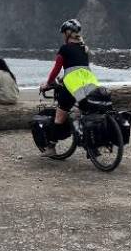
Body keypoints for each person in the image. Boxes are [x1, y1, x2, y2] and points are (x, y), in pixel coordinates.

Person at [39, 19, 100, 157]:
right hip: (89, 82)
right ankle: (93, 146)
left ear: (68, 33)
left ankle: (51, 147)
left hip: (72, 84)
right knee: (87, 111)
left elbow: (56, 69)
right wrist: (63, 77)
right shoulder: (84, 49)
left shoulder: (64, 48)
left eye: (63, 33)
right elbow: (77, 68)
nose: (63, 36)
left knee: (60, 116)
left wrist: (48, 83)